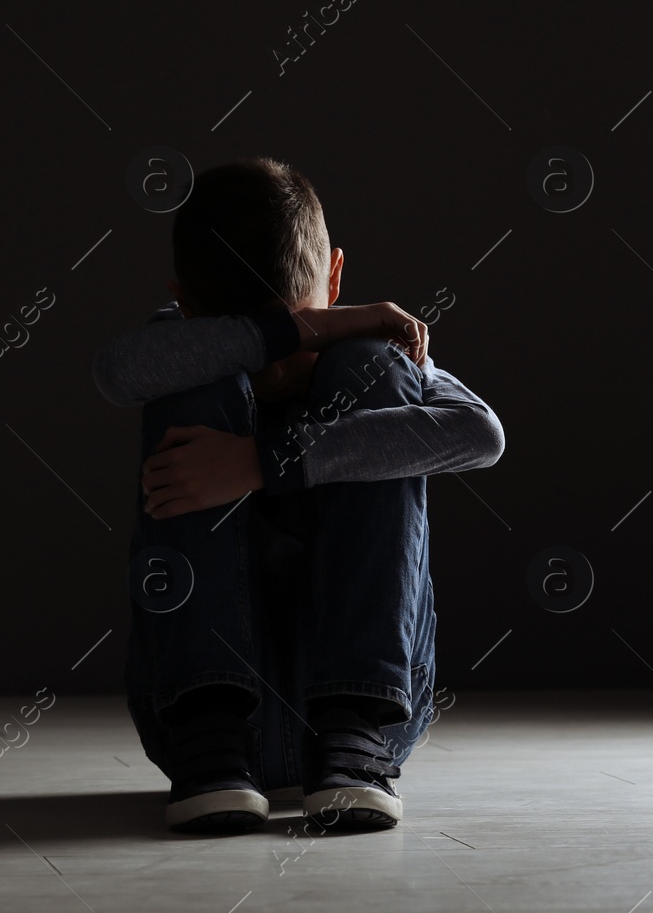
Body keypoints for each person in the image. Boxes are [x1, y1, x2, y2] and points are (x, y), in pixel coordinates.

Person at [92, 157, 504, 833]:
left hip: (366, 723)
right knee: (188, 374)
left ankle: (352, 720)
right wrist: (307, 327)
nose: (280, 371)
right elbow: (115, 370)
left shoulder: (379, 346)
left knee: (374, 367)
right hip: (203, 731)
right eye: (266, 347)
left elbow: (479, 434)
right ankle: (211, 723)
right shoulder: (183, 338)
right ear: (335, 275)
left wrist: (263, 461)